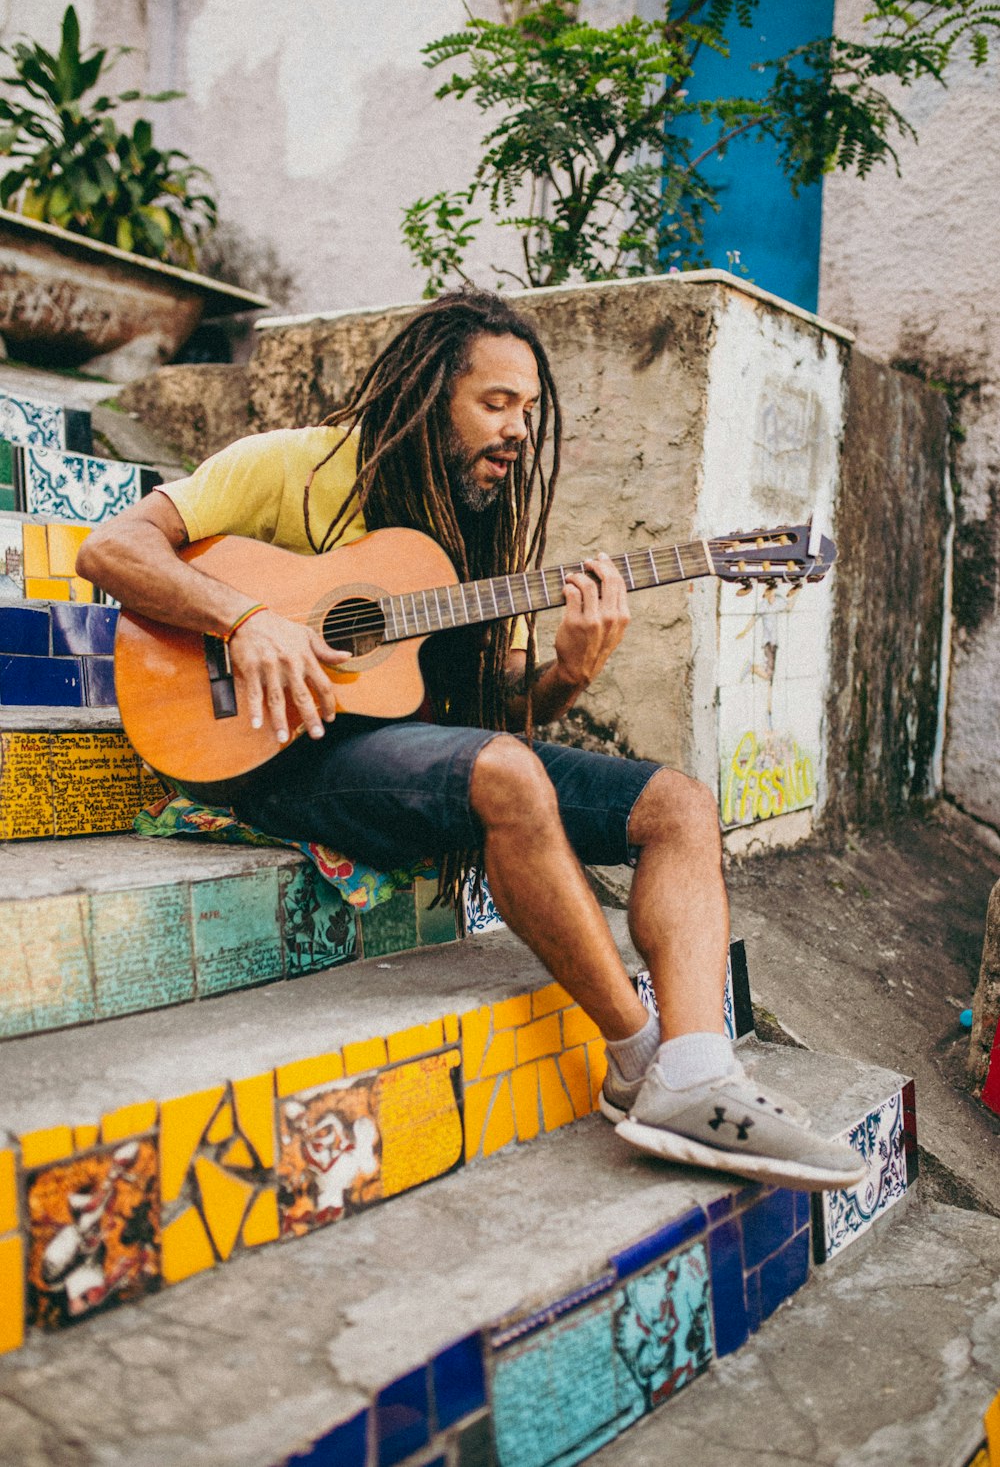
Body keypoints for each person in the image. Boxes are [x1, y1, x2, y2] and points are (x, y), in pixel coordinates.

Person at [78, 288, 864, 1193]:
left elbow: (493, 705)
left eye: (529, 411)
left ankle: (701, 1068)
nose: (519, 431)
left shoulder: (470, 536)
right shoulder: (292, 466)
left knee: (677, 804)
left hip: (394, 752)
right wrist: (247, 616)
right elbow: (111, 550)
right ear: (425, 396)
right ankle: (646, 1061)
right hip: (267, 755)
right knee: (507, 773)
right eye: (496, 404)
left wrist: (570, 671)